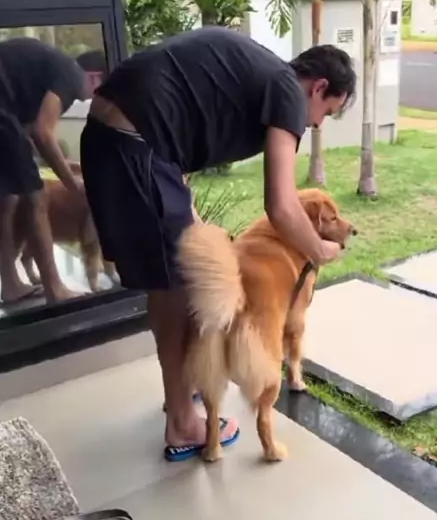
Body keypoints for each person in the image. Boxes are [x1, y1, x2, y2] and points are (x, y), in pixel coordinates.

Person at [80, 27, 356, 459]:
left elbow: (184, 116)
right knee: (178, 284)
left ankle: (182, 391)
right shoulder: (287, 89)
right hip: (133, 144)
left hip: (116, 139)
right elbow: (282, 206)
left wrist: (185, 205)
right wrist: (320, 251)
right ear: (318, 87)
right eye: (326, 111)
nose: (316, 123)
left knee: (180, 270)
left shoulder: (261, 73)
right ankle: (182, 422)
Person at [0, 37, 99, 304]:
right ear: (95, 77)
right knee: (36, 197)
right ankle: (55, 289)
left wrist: (73, 167)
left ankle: (10, 285)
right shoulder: (72, 76)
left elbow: (29, 141)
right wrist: (72, 184)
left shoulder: (47, 74)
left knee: (8, 198)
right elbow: (43, 133)